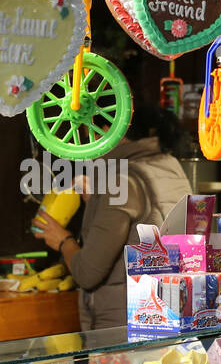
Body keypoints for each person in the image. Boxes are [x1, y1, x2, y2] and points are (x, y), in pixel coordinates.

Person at [32, 105, 192, 331]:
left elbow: (88, 272)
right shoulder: (169, 164)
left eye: (89, 138)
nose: (89, 150)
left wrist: (62, 240)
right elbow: (143, 218)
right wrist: (97, 202)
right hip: (170, 312)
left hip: (124, 328)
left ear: (107, 131)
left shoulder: (120, 178)